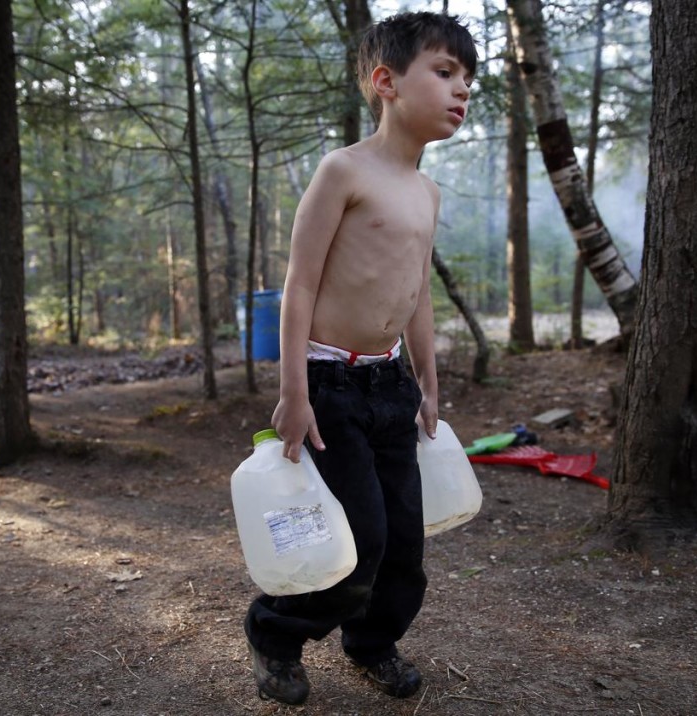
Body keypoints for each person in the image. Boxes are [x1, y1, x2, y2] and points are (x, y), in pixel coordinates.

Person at [242, 10, 477, 706]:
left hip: (390, 386)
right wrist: (293, 392)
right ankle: (276, 632)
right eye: (444, 73)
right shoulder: (342, 171)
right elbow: (300, 286)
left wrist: (428, 384)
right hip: (327, 386)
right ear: (386, 82)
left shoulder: (427, 191)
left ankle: (372, 644)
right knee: (359, 539)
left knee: (405, 543)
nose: (462, 90)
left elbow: (417, 297)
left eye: (468, 79)